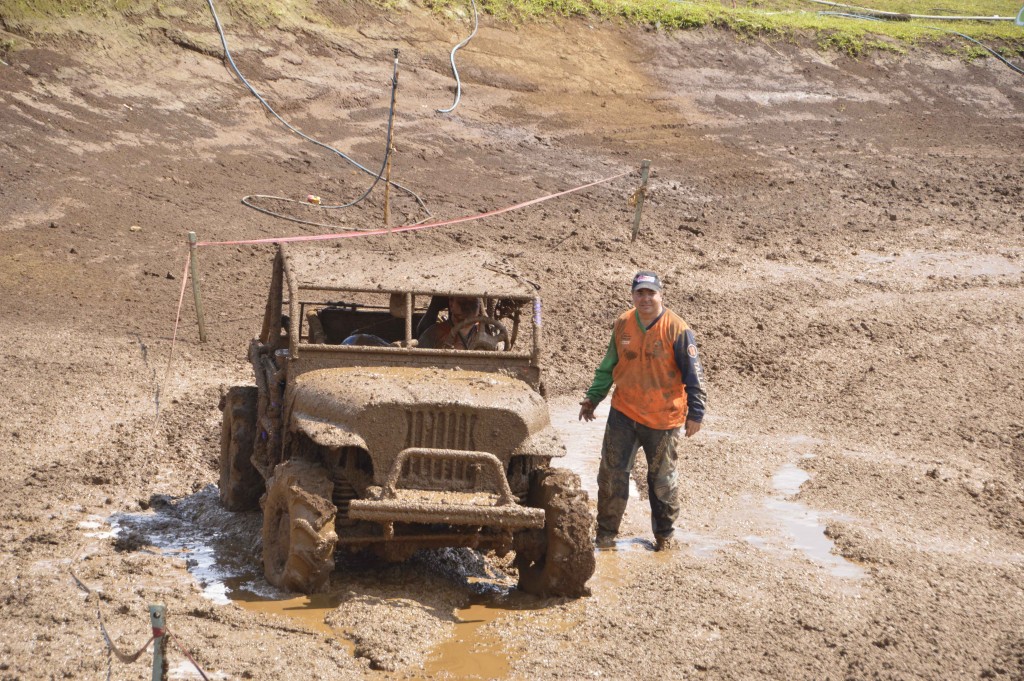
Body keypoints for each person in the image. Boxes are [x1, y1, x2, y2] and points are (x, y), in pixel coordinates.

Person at [578, 270, 708, 552]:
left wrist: (696, 413)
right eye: (640, 293)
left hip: (663, 417)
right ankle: (605, 535)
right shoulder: (623, 323)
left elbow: (694, 375)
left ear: (661, 295)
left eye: (651, 293)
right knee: (611, 474)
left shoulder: (677, 329)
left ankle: (664, 537)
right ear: (633, 295)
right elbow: (609, 364)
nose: (646, 298)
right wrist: (593, 398)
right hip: (624, 412)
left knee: (662, 481)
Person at [417, 296, 485, 349]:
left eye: (474, 302)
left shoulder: (485, 331)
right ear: (451, 303)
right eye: (463, 301)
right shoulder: (434, 333)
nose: (469, 306)